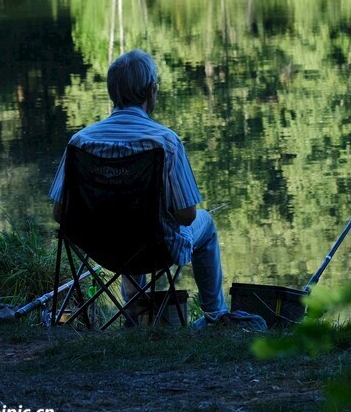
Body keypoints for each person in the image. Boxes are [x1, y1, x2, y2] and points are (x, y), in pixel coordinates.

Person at [49, 49, 229, 326]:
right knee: (204, 223)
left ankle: (134, 315)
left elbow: (60, 213)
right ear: (151, 90)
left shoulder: (80, 142)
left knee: (124, 225)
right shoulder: (165, 142)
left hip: (101, 248)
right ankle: (216, 316)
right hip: (153, 249)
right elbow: (187, 215)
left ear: (112, 92)